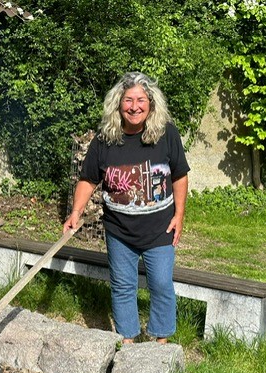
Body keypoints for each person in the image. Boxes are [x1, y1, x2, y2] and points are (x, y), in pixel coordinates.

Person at [63, 72, 190, 344]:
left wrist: (179, 215)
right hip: (119, 230)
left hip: (159, 229)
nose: (135, 106)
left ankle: (160, 342)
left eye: (141, 100)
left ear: (151, 103)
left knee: (161, 284)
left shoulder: (166, 134)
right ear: (118, 104)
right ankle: (127, 341)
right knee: (122, 286)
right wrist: (76, 212)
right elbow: (88, 179)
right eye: (128, 100)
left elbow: (179, 174)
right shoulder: (104, 140)